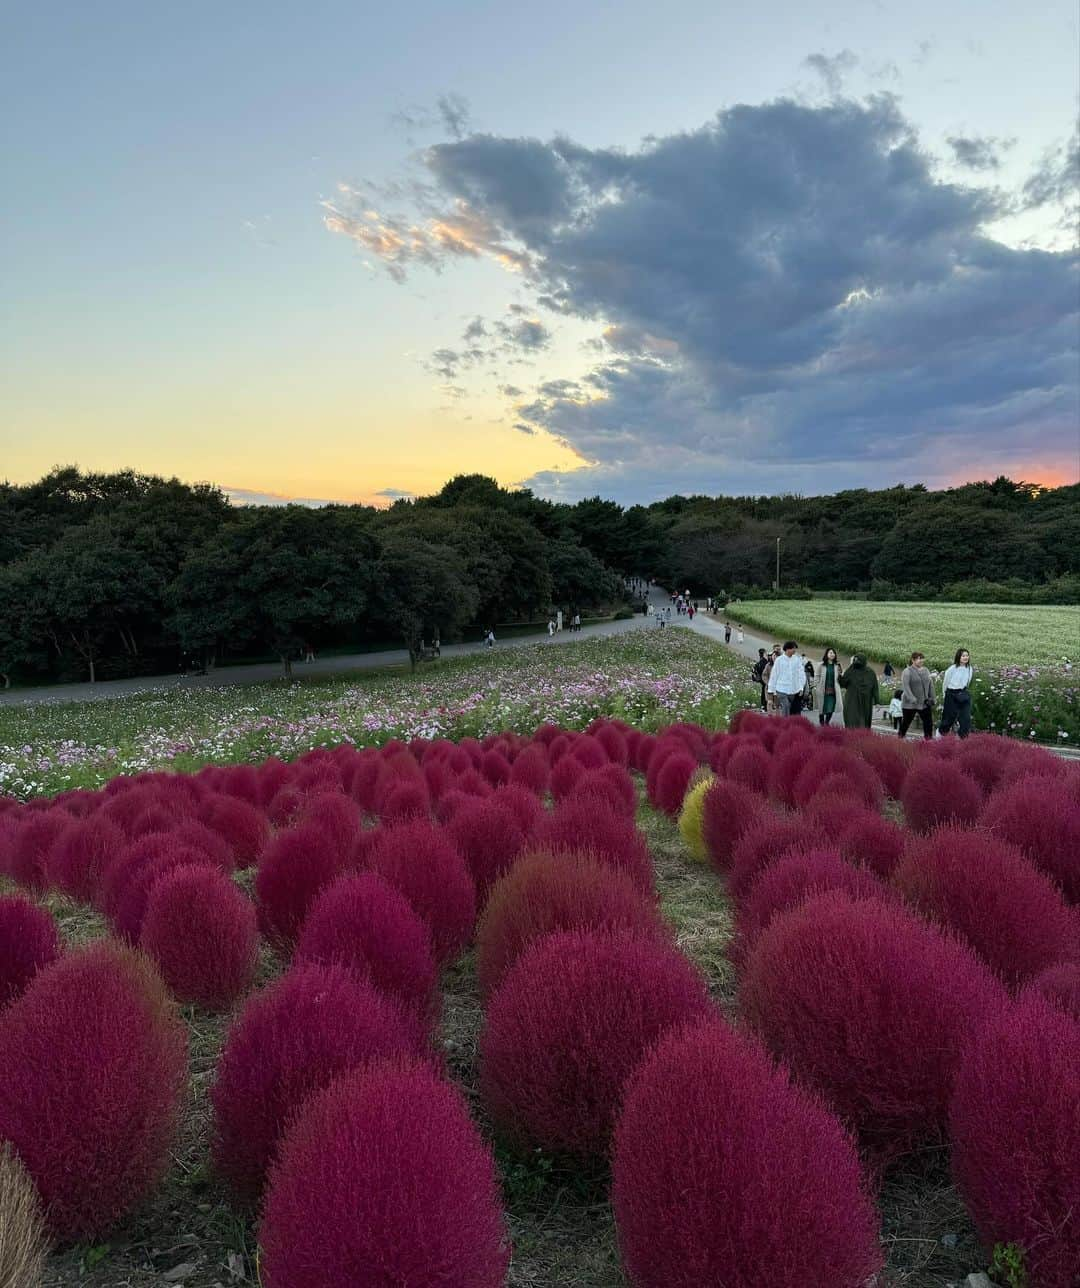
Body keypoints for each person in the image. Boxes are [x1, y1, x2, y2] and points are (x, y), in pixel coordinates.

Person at [767, 641, 811, 717]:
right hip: (781, 689)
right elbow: (774, 676)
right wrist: (771, 692)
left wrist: (801, 687)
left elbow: (801, 674)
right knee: (786, 705)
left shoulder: (797, 660)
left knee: (793, 709)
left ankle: (791, 723)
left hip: (794, 690)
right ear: (787, 649)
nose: (795, 650)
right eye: (793, 648)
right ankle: (786, 723)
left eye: (795, 648)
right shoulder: (779, 660)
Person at [899, 651, 935, 739]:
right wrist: (912, 699)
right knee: (906, 722)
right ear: (913, 660)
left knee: (928, 723)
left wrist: (932, 698)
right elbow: (905, 686)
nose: (921, 660)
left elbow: (930, 685)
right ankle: (900, 738)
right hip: (910, 704)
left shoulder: (926, 670)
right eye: (918, 659)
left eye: (922, 658)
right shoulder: (907, 671)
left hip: (924, 703)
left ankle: (928, 741)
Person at [939, 648, 974, 738]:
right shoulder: (952, 669)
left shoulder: (969, 669)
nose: (965, 657)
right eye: (963, 656)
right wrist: (945, 694)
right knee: (948, 718)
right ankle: (941, 735)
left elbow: (968, 682)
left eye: (967, 655)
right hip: (951, 694)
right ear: (959, 657)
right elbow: (945, 683)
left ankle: (961, 738)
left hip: (963, 694)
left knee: (966, 718)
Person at [838, 654, 878, 728]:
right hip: (852, 700)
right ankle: (852, 737)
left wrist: (877, 701)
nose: (856, 662)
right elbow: (843, 683)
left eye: (858, 660)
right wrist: (839, 675)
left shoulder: (870, 672)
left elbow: (875, 687)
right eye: (855, 660)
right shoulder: (850, 671)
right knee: (852, 720)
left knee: (864, 721)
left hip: (866, 701)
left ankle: (862, 737)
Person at [816, 647, 843, 726]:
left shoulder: (837, 665)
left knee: (831, 707)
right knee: (822, 706)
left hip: (834, 690)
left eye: (833, 653)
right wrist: (816, 685)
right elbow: (817, 676)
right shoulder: (821, 665)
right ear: (827, 654)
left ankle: (826, 722)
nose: (832, 654)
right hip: (822, 689)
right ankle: (821, 719)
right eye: (830, 653)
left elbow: (840, 676)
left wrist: (840, 672)